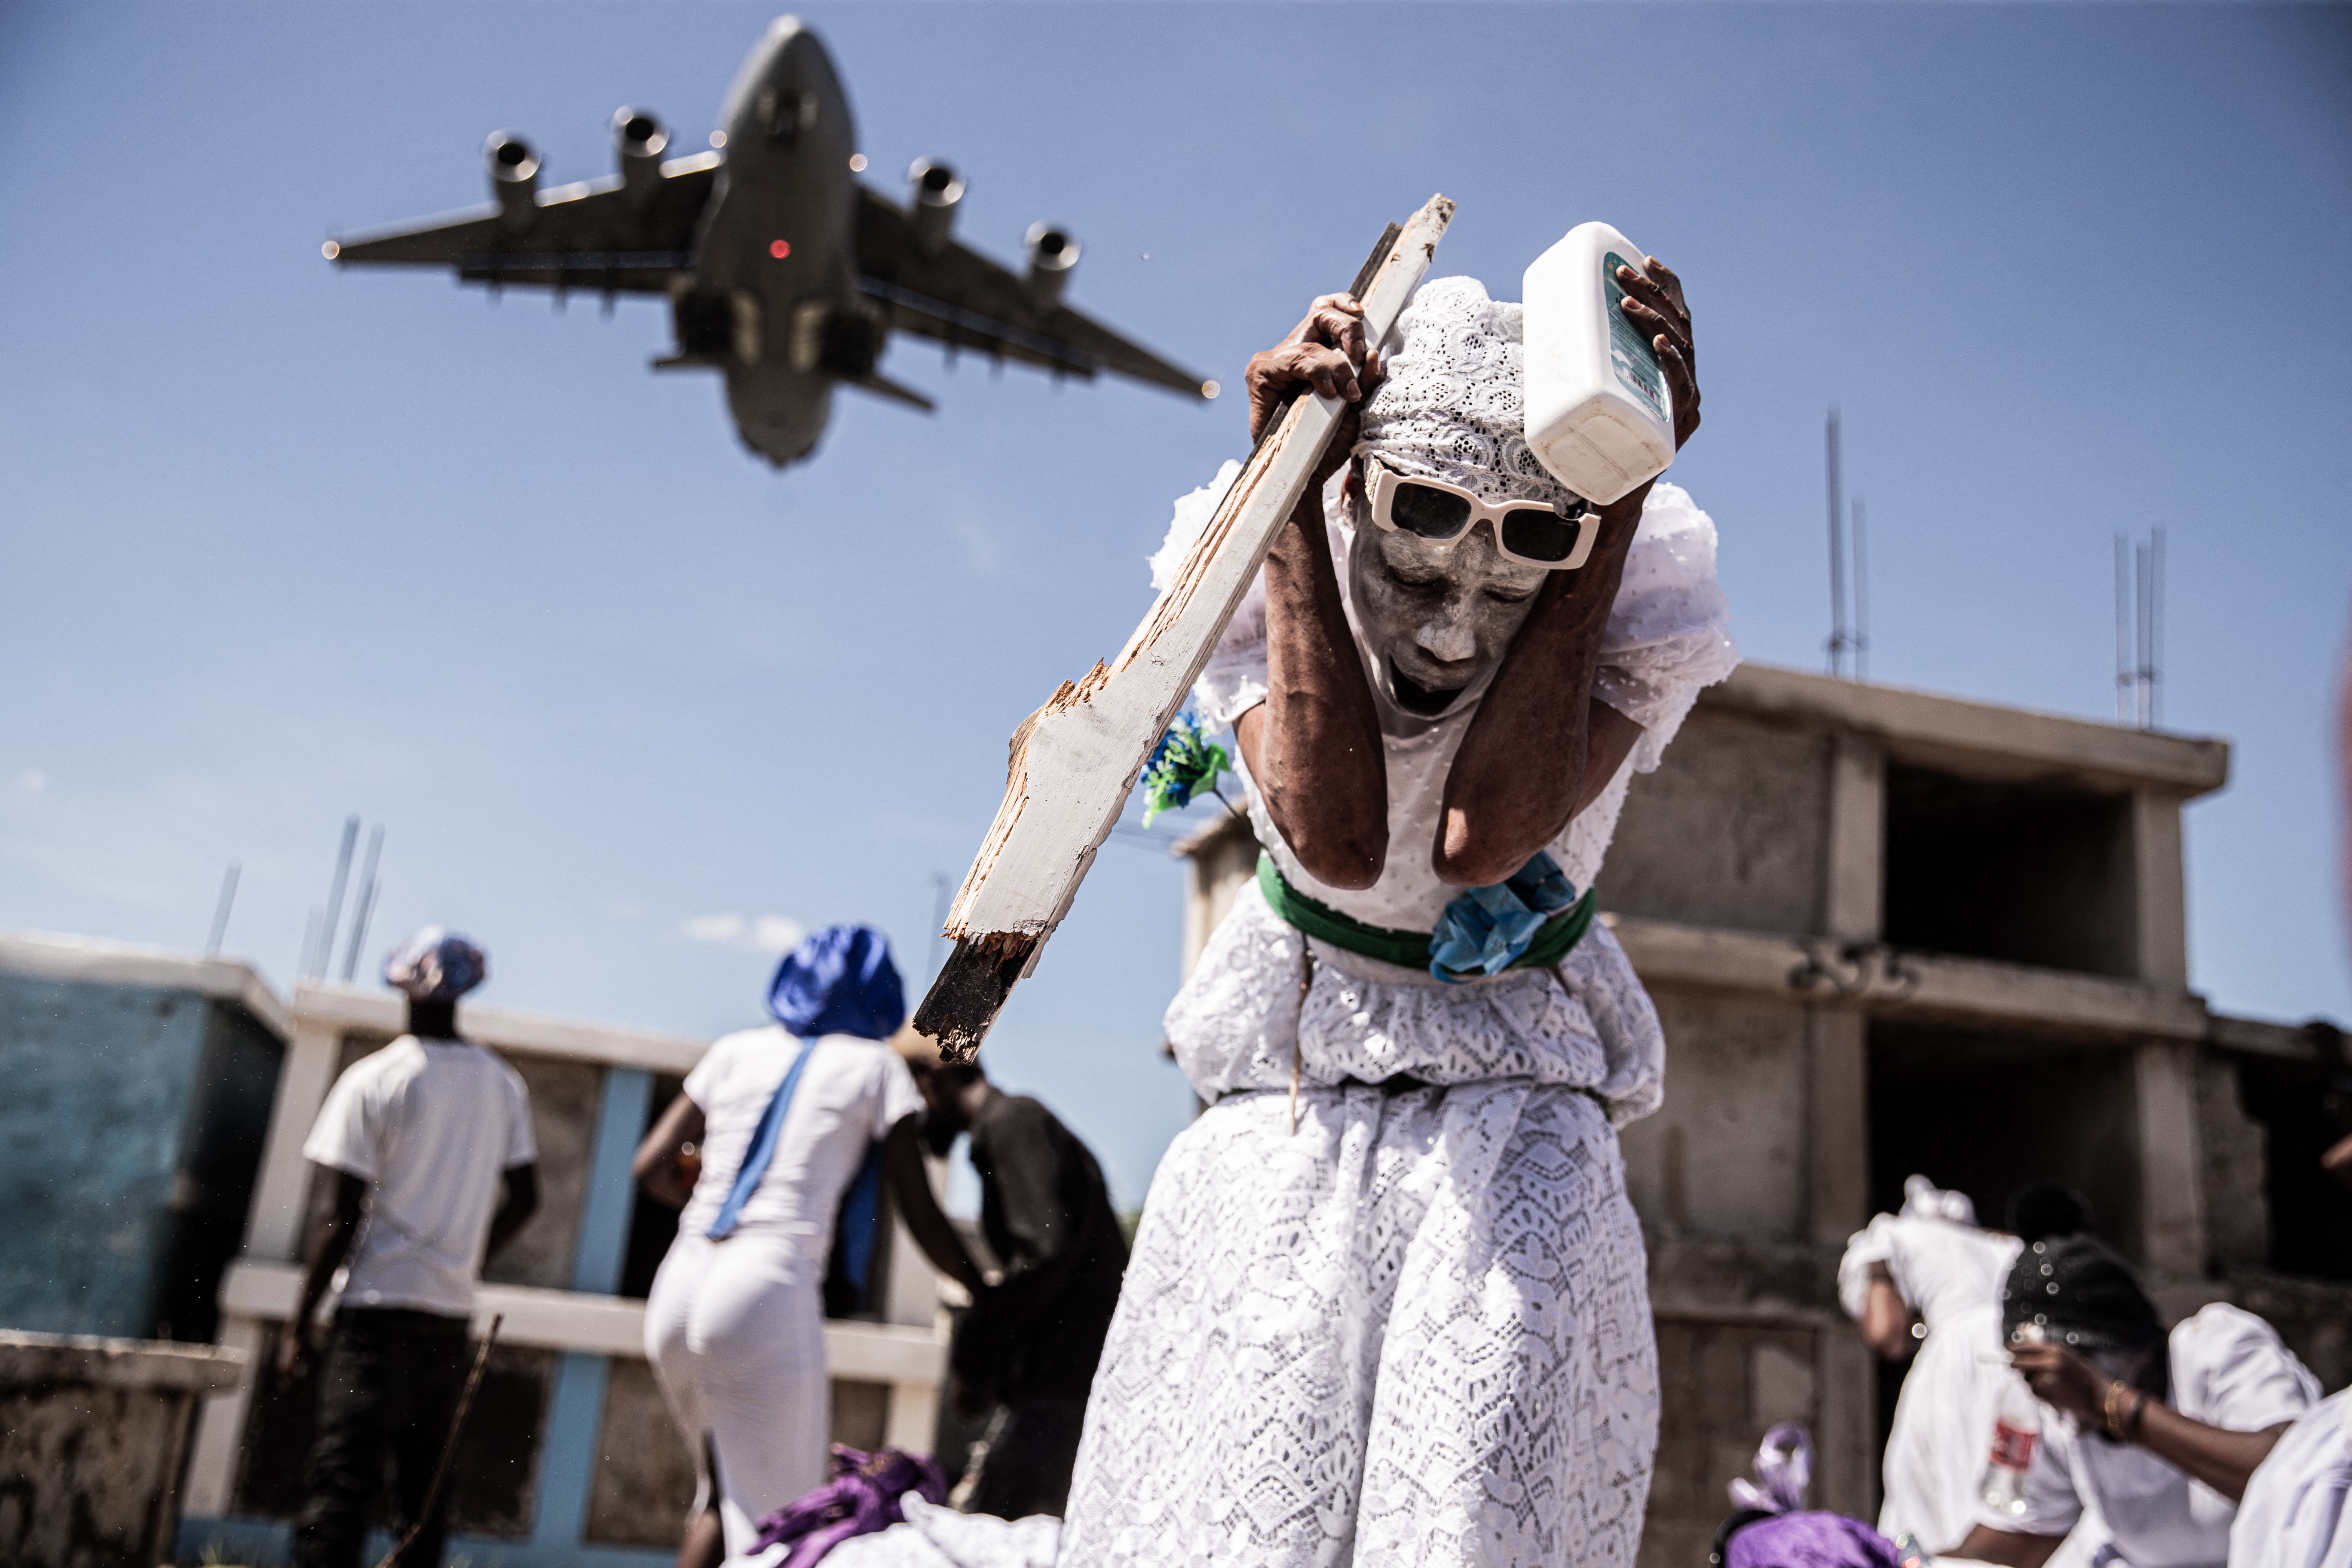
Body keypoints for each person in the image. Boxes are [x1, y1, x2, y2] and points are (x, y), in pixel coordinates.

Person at [1057, 260, 1737, 1568]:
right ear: (1361, 493)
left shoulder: (1638, 598)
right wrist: (1291, 491)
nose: (1453, 624)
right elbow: (1339, 838)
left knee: (1476, 1498)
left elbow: (1483, 838)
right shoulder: (1272, 565)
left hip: (1520, 1103)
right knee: (1237, 1502)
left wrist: (1616, 481)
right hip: (1295, 1096)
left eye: (1521, 556)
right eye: (1423, 538)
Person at [634, 923, 985, 1568]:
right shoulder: (877, 1068)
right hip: (766, 1289)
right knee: (783, 1529)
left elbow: (650, 1168)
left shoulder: (734, 1051)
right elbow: (920, 1211)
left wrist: (717, 1200)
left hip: (680, 1283)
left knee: (720, 1494)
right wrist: (983, 1287)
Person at [278, 927, 539, 1568]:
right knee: (423, 1497)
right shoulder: (502, 1086)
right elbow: (527, 1198)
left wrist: (299, 1324)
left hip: (373, 1312)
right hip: (448, 1317)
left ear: (401, 985)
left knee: (341, 1486)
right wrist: (469, 1255)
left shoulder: (375, 1081)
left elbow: (340, 1215)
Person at [1953, 1231, 2319, 1567]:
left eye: (2076, 1363)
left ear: (2135, 1346)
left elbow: (2294, 1476)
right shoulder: (2059, 1414)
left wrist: (2106, 1400)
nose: (2056, 1387)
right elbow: (2022, 1538)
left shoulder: (2215, 1350)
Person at [912, 1056, 1127, 1519]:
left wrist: (974, 1358)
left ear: (937, 1078)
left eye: (916, 1094)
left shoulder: (1015, 1122)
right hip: (1058, 1384)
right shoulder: (1006, 1130)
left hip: (1066, 1386)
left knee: (994, 1537)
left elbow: (1042, 1254)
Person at [1839, 1176, 2026, 1554]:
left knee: (1941, 1493)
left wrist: (1879, 1269)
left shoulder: (1891, 1236)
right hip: (2025, 1359)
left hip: (1958, 1364)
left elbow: (1886, 1335)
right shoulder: (2002, 1243)